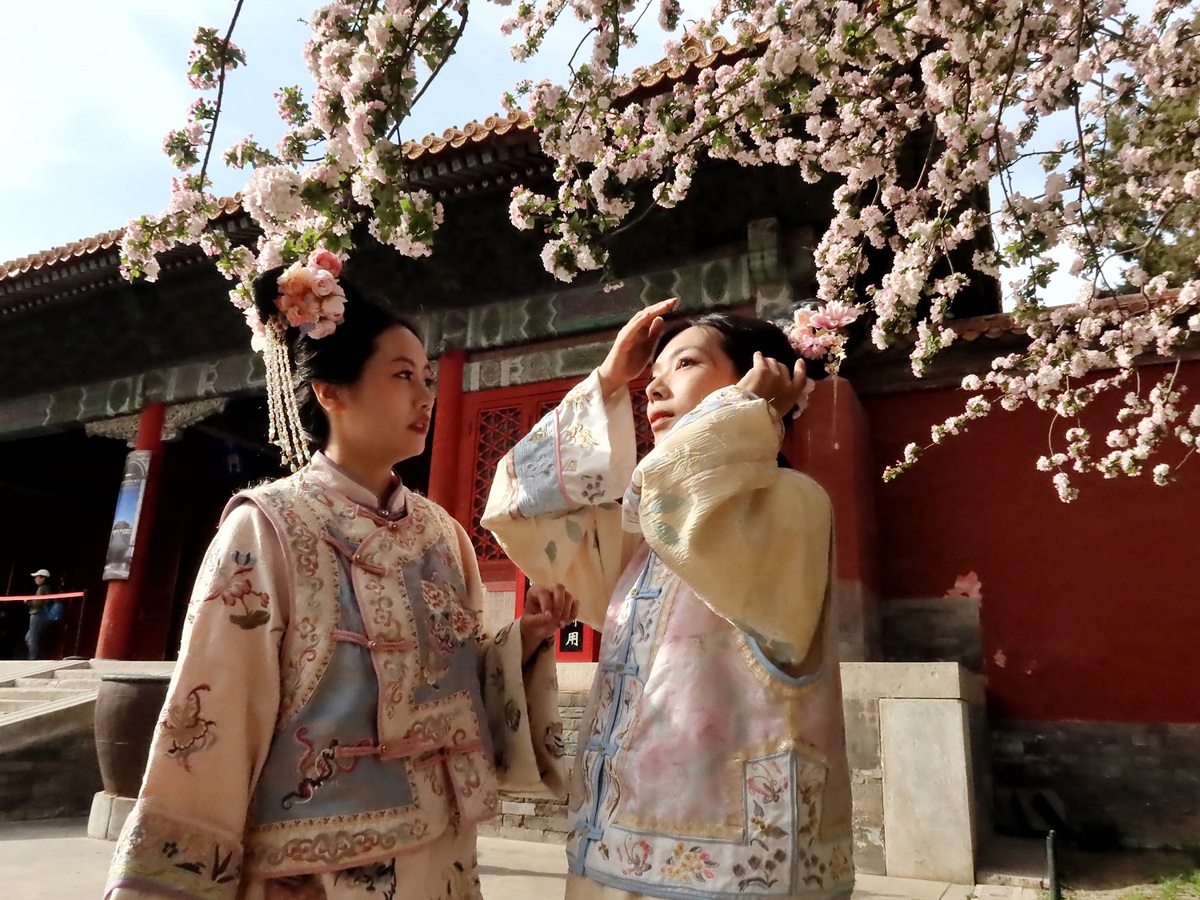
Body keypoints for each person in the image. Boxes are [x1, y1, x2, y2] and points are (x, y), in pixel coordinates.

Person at [106, 254, 575, 900]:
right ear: (332, 391)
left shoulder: (445, 537)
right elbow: (213, 715)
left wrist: (522, 644)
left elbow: (464, 686)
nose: (425, 397)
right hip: (310, 877)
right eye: (403, 375)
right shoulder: (267, 528)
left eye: (428, 378)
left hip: (439, 860)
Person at [484, 299, 854, 900]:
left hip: (729, 867)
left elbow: (668, 487)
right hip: (612, 849)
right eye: (651, 373)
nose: (652, 383)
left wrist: (750, 412)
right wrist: (606, 378)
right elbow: (518, 502)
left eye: (683, 363)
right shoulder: (643, 539)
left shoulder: (792, 504)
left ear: (758, 378)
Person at [25, 568, 53, 660]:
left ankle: (32, 658)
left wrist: (28, 602)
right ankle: (34, 656)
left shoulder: (43, 588)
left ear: (43, 578)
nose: (35, 579)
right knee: (29, 637)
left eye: (37, 577)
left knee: (32, 637)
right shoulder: (46, 588)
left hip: (37, 615)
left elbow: (38, 603)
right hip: (41, 615)